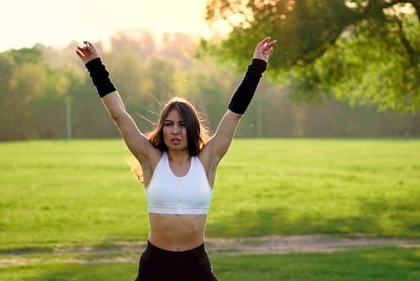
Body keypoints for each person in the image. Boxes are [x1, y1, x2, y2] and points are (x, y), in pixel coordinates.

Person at [76, 36, 276, 281]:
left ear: (191, 128)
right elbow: (119, 114)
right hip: (156, 265)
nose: (175, 130)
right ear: (162, 128)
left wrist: (257, 67)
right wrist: (96, 67)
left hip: (195, 264)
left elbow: (234, 114)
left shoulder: (207, 160)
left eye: (182, 125)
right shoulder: (150, 159)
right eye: (169, 124)